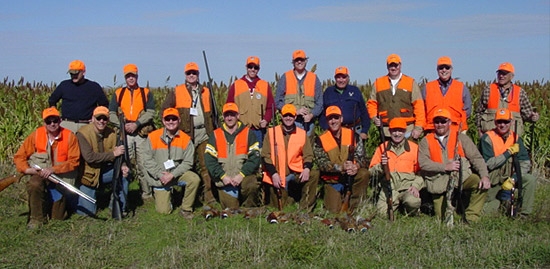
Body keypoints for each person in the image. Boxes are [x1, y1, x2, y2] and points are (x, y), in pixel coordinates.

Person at [418, 108, 491, 223]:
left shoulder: (460, 138)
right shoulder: (426, 140)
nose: (440, 124)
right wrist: (445, 167)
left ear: (450, 122)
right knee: (441, 219)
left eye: (443, 121)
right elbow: (423, 163)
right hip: (438, 182)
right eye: (437, 121)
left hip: (460, 178)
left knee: (478, 183)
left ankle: (470, 218)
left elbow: (476, 158)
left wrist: (484, 175)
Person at [13, 107, 80, 229]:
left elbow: (74, 161)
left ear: (60, 121)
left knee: (58, 218)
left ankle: (52, 206)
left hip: (61, 178)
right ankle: (36, 219)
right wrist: (27, 170)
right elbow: (19, 156)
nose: (52, 124)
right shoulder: (37, 135)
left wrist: (53, 169)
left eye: (55, 120)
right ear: (44, 123)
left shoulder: (70, 136)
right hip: (41, 175)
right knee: (34, 184)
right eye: (49, 121)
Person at [161, 62, 216, 206]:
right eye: (189, 73)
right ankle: (186, 197)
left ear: (198, 75)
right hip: (186, 136)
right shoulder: (177, 91)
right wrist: (171, 127)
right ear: (185, 75)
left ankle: (208, 196)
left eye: (194, 73)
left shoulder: (206, 91)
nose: (191, 75)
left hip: (204, 132)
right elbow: (165, 109)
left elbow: (213, 114)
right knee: (186, 166)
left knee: (206, 166)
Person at [141, 108, 201, 218]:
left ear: (179, 120)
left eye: (174, 119)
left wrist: (172, 175)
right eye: (167, 119)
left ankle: (186, 209)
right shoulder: (153, 137)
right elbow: (147, 160)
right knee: (163, 211)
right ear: (163, 121)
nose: (171, 121)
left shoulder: (186, 139)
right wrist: (160, 175)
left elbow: (188, 162)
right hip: (160, 177)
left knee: (194, 179)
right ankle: (168, 195)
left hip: (176, 174)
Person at [108, 64, 156, 200]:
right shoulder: (118, 93)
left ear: (137, 76)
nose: (131, 78)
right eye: (128, 76)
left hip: (141, 133)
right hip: (124, 133)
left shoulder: (145, 92)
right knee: (124, 164)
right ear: (125, 77)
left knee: (143, 163)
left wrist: (137, 124)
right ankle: (124, 194)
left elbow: (151, 112)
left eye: (133, 75)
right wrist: (122, 125)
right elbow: (111, 112)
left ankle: (146, 193)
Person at [261, 104, 320, 212]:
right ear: (281, 117)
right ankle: (289, 198)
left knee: (314, 174)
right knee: (279, 208)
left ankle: (305, 209)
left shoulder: (302, 134)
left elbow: (308, 155)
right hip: (277, 175)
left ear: (295, 117)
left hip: (296, 173)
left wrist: (307, 168)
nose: (288, 118)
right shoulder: (271, 132)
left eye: (291, 116)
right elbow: (265, 155)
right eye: (285, 116)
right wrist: (273, 174)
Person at [479, 108, 536, 217]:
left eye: (506, 122)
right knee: (484, 212)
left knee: (530, 180)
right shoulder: (487, 138)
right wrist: (508, 152)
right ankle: (501, 205)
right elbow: (489, 164)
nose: (503, 125)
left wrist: (514, 179)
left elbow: (525, 163)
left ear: (511, 122)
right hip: (493, 180)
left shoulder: (516, 138)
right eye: (499, 122)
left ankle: (524, 214)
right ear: (495, 122)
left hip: (510, 178)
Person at [314, 106, 369, 214]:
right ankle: (340, 196)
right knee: (333, 211)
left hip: (351, 176)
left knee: (364, 173)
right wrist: (341, 167)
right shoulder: (320, 139)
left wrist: (356, 166)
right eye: (330, 118)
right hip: (333, 180)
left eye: (336, 118)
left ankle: (355, 206)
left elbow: (363, 158)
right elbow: (322, 164)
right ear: (327, 121)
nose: (333, 121)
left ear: (341, 119)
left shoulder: (354, 136)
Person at [204, 103, 261, 209]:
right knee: (231, 209)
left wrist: (242, 174)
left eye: (232, 115)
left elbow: (255, 158)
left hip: (243, 177)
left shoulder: (248, 133)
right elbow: (209, 160)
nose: (229, 118)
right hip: (225, 180)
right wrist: (223, 176)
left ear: (238, 116)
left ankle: (249, 208)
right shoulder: (216, 135)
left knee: (251, 185)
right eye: (227, 115)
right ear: (223, 117)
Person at [75, 106, 129, 217]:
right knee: (86, 213)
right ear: (93, 118)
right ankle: (72, 197)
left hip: (104, 172)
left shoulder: (112, 133)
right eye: (98, 118)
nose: (101, 121)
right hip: (88, 176)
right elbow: (89, 157)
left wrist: (123, 165)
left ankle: (118, 206)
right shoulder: (82, 134)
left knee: (124, 174)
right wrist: (113, 154)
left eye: (104, 119)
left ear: (108, 120)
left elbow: (120, 156)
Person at [369, 118, 423, 217]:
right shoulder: (382, 147)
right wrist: (381, 166)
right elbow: (371, 172)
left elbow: (421, 173)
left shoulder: (414, 148)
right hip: (389, 188)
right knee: (382, 214)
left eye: (400, 130)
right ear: (389, 132)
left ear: (405, 131)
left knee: (413, 202)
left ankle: (410, 210)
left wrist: (415, 186)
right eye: (394, 130)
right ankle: (397, 205)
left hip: (408, 188)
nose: (397, 134)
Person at [367, 54, 425, 138]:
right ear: (387, 66)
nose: (393, 68)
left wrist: (418, 128)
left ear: (400, 65)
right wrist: (374, 118)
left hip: (407, 131)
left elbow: (419, 107)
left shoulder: (410, 82)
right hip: (386, 131)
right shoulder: (378, 83)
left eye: (396, 65)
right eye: (391, 65)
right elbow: (372, 103)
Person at [476, 62, 539, 136]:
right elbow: (479, 112)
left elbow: (527, 115)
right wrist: (479, 130)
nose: (501, 76)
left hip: (512, 138)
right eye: (499, 73)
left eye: (504, 73)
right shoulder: (488, 90)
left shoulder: (520, 92)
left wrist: (533, 117)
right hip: (490, 137)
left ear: (511, 76)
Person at [48, 60, 109, 132]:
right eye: (71, 74)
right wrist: (56, 117)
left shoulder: (94, 87)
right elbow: (52, 100)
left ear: (83, 72)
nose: (74, 76)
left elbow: (104, 105)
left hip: (86, 125)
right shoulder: (64, 85)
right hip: (67, 124)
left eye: (76, 73)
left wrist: (96, 118)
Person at [226, 56, 274, 147]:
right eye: (250, 67)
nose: (253, 69)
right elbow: (229, 106)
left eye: (255, 67)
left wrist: (266, 120)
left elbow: (271, 107)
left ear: (259, 69)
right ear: (246, 68)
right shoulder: (236, 85)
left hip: (258, 130)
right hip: (240, 129)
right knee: (241, 157)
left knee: (257, 157)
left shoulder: (264, 85)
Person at [275, 50, 323, 137]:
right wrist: (294, 112)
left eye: (302, 59)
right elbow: (278, 101)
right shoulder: (285, 77)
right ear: (293, 62)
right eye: (297, 60)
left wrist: (311, 115)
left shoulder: (314, 78)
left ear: (306, 61)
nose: (299, 62)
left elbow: (320, 103)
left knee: (307, 149)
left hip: (308, 124)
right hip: (290, 123)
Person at [422, 56, 472, 132]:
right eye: (441, 68)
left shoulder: (461, 87)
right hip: (432, 129)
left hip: (456, 130)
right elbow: (421, 109)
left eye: (447, 67)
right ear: (437, 70)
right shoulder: (427, 87)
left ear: (451, 69)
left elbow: (467, 110)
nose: (444, 70)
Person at [319, 66, 370, 140]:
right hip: (335, 131)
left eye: (344, 77)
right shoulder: (328, 92)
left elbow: (364, 112)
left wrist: (364, 131)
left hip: (354, 130)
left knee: (356, 151)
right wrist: (326, 129)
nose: (341, 80)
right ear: (335, 78)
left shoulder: (355, 91)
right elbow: (323, 114)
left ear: (348, 78)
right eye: (338, 77)